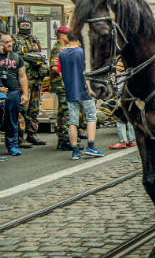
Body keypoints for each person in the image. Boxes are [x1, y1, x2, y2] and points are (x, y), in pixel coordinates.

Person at [57, 30, 104, 160]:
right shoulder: (84, 53)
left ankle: (75, 150)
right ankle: (91, 147)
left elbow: (59, 72)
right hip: (85, 91)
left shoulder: (61, 54)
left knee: (73, 121)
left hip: (71, 92)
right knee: (91, 117)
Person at [13, 16, 48, 147]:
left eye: (27, 25)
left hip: (36, 78)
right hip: (23, 80)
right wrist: (29, 59)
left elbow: (40, 54)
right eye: (23, 25)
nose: (25, 27)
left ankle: (32, 134)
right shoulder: (15, 40)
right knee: (22, 108)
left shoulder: (35, 39)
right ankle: (20, 137)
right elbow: (14, 57)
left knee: (34, 108)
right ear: (18, 25)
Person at [0, 33, 28, 155]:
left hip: (13, 93)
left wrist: (25, 94)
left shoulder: (16, 57)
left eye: (10, 41)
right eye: (6, 42)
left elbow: (22, 77)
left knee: (12, 121)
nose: (10, 44)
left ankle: (12, 146)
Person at [50, 26, 72, 151]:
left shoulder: (62, 48)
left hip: (62, 85)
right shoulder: (58, 48)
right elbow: (54, 66)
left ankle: (63, 138)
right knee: (66, 112)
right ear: (63, 36)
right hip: (62, 85)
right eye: (68, 35)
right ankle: (64, 140)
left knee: (63, 112)